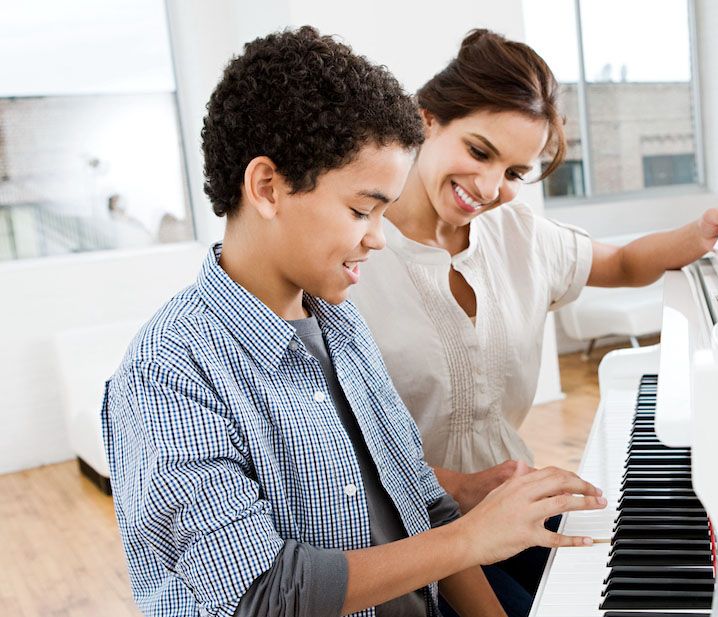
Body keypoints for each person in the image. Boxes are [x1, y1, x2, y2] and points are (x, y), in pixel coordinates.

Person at [101, 26, 605, 617]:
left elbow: (423, 507)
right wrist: (472, 536)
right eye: (362, 210)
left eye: (384, 212)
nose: (378, 237)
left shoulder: (341, 324)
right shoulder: (168, 372)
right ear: (268, 186)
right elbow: (261, 594)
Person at [348, 29, 718, 611]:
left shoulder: (519, 234)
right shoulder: (352, 254)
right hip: (407, 531)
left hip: (509, 508)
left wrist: (701, 234)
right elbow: (341, 447)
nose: (489, 187)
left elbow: (625, 263)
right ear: (426, 121)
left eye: (512, 172)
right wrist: (459, 491)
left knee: (618, 565)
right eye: (479, 152)